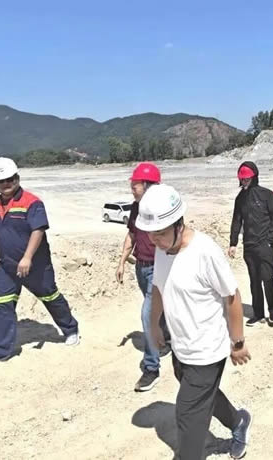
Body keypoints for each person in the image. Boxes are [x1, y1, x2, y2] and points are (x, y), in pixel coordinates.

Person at [138, 184, 253, 460]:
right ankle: (238, 421)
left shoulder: (205, 252)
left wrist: (238, 342)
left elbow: (232, 296)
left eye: (160, 233)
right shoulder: (162, 248)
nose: (154, 240)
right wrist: (153, 325)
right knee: (202, 395)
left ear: (179, 224)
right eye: (151, 234)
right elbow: (158, 288)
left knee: (188, 415)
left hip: (207, 351)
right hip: (181, 348)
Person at [0, 157, 79, 366]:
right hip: (7, 266)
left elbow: (38, 230)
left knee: (50, 296)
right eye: (1, 181)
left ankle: (70, 329)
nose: (6, 184)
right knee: (1, 304)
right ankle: (0, 351)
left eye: (10, 179)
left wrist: (27, 257)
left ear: (17, 178)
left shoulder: (32, 203)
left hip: (35, 265)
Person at [115, 162, 170, 392]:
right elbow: (132, 234)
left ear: (148, 185)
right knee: (159, 310)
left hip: (159, 268)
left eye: (135, 185)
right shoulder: (136, 208)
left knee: (148, 315)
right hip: (141, 267)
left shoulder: (163, 208)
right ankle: (167, 338)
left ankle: (151, 368)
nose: (132, 189)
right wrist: (121, 262)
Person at [228, 161, 273, 327]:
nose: (244, 181)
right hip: (249, 245)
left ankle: (272, 308)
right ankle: (258, 313)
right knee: (254, 280)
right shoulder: (240, 199)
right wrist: (233, 243)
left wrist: (270, 240)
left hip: (265, 245)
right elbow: (237, 221)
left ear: (254, 177)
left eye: (247, 178)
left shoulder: (266, 195)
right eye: (242, 179)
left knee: (267, 277)